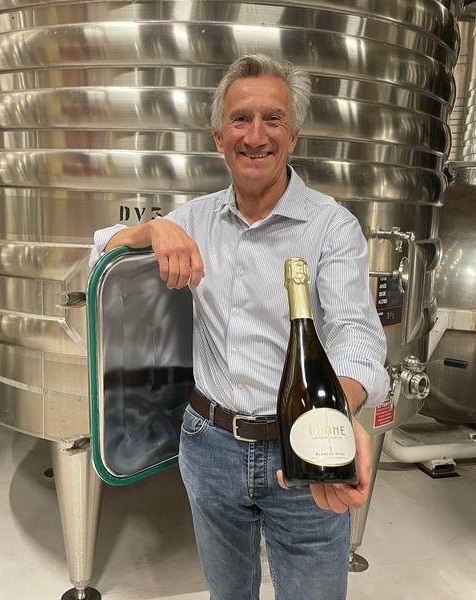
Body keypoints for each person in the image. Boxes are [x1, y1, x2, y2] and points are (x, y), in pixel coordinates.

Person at [90, 54, 390, 600]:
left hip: (301, 447)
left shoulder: (332, 227)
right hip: (209, 446)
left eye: (273, 119)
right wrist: (151, 230)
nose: (255, 136)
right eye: (240, 120)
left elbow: (356, 333)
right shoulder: (194, 220)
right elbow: (98, 255)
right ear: (218, 137)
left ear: (293, 136)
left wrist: (333, 414)